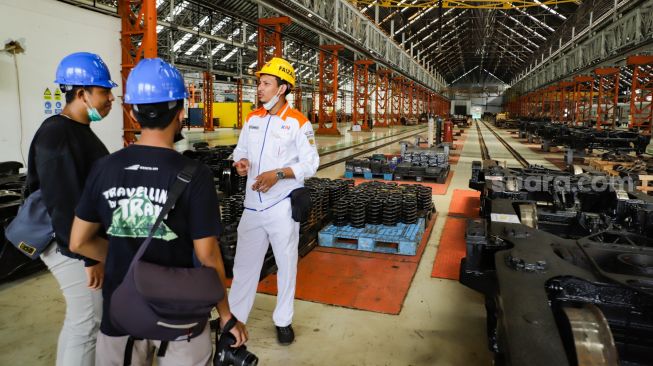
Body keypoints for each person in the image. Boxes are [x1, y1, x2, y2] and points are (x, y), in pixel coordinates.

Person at [69, 58, 247, 365]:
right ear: (180, 112)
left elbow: (78, 242)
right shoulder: (196, 175)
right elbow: (207, 256)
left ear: (133, 112)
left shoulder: (104, 168)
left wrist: (123, 257)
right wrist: (226, 315)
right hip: (181, 316)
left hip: (122, 311)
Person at [25, 51, 116, 366]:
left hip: (79, 239)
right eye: (105, 92)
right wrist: (89, 256)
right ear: (82, 93)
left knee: (82, 319)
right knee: (90, 319)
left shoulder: (77, 130)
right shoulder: (57, 133)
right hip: (67, 242)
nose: (111, 99)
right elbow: (63, 204)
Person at [229, 57, 320, 345]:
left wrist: (278, 174)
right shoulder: (252, 119)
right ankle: (234, 319)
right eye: (260, 83)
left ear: (282, 88)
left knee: (286, 264)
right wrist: (241, 163)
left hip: (281, 206)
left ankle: (283, 321)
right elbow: (239, 150)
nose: (260, 88)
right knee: (244, 267)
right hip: (252, 207)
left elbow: (311, 163)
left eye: (266, 83)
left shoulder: (298, 123)